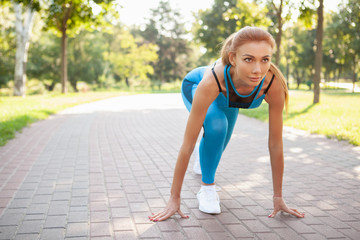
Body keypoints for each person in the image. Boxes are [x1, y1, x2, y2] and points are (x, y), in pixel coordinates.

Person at [149, 26, 305, 222]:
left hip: (229, 100)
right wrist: (174, 198)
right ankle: (207, 189)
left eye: (265, 59)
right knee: (216, 127)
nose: (258, 70)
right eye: (248, 59)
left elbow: (275, 144)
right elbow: (187, 144)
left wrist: (278, 197)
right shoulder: (213, 81)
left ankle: (203, 153)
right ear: (233, 58)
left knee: (219, 143)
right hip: (195, 86)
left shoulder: (273, 84)